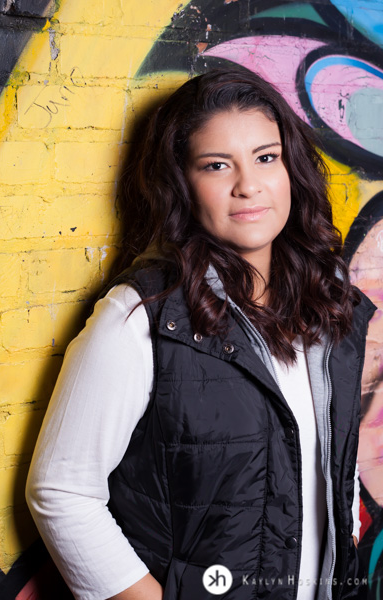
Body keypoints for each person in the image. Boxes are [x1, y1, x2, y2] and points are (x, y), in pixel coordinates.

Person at [26, 68, 375, 600]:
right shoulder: (141, 318)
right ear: (182, 184)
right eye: (217, 166)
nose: (248, 185)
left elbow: (335, 460)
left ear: (290, 169)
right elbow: (61, 490)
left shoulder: (330, 308)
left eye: (266, 157)